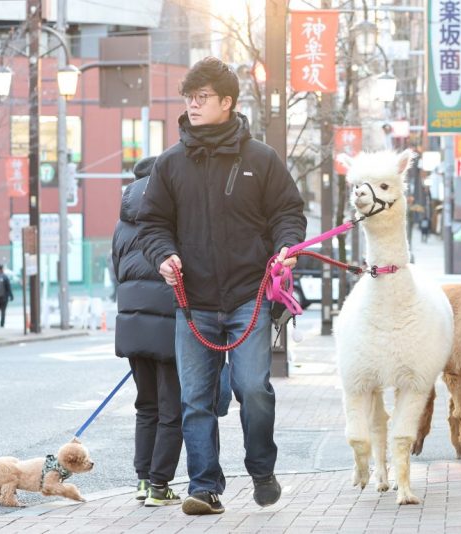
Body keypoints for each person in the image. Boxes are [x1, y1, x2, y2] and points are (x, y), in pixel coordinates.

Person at [136, 57, 306, 515]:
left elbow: (289, 213)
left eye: (202, 97)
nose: (192, 104)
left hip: (249, 296)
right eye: (189, 97)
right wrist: (163, 255)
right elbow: (151, 223)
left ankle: (261, 469)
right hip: (193, 301)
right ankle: (205, 487)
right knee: (194, 400)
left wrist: (288, 246)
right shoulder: (170, 163)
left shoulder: (260, 159)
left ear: (227, 102)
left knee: (253, 388)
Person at [113, 156, 235, 507]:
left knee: (145, 405)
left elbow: (116, 270)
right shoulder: (172, 215)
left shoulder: (122, 222)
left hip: (131, 322)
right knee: (172, 409)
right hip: (170, 319)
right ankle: (159, 484)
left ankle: (141, 480)